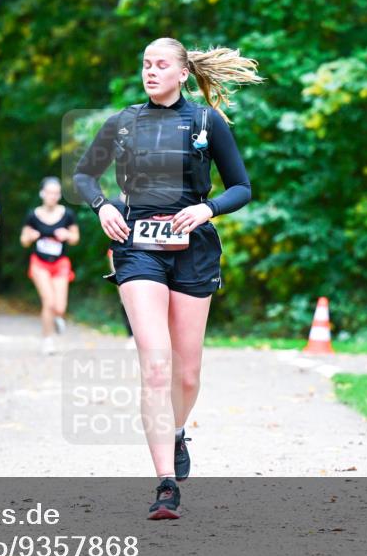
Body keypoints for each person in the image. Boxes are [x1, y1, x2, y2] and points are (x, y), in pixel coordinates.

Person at [73, 38, 262, 519]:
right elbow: (84, 176)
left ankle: (176, 432)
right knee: (156, 365)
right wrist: (102, 207)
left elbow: (242, 187)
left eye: (161, 65)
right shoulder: (124, 122)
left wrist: (207, 209)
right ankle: (165, 485)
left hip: (192, 249)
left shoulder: (206, 121)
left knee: (187, 372)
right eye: (145, 65)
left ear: (182, 74)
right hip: (137, 247)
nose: (151, 72)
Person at [20, 177, 79, 355]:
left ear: (59, 195)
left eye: (56, 193)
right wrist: (30, 237)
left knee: (59, 307)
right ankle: (47, 340)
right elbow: (23, 241)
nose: (52, 196)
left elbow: (75, 239)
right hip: (40, 263)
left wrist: (67, 235)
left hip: (60, 263)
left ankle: (57, 317)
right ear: (42, 193)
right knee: (49, 302)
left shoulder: (67, 215)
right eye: (49, 192)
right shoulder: (33, 215)